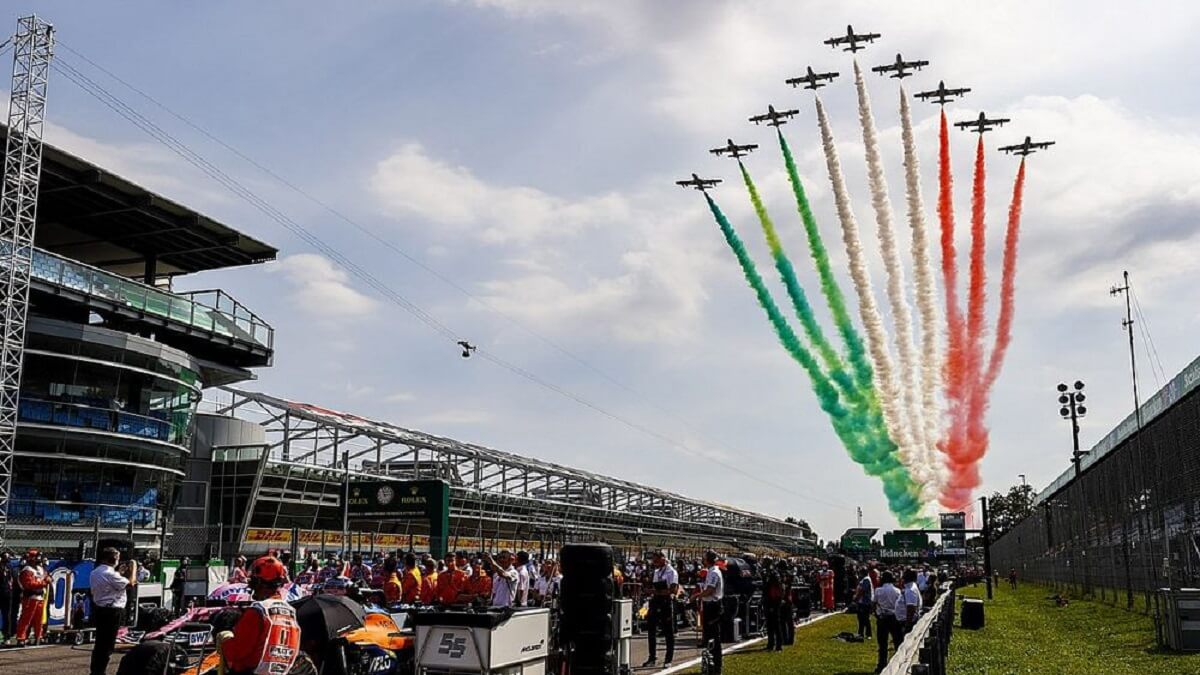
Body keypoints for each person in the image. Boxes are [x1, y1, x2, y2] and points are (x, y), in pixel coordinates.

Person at [217, 556, 301, 675]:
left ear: (259, 582)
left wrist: (224, 640)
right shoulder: (291, 612)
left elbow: (237, 650)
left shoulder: (258, 611)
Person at [90, 547, 137, 675]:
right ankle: (100, 671)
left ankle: (96, 670)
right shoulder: (110, 573)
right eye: (116, 558)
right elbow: (131, 583)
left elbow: (112, 585)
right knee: (107, 645)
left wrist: (120, 572)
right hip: (111, 611)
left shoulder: (96, 571)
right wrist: (134, 568)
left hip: (100, 609)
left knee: (100, 643)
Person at [643, 551, 679, 667]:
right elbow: (652, 586)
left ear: (663, 559)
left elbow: (673, 590)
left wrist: (655, 591)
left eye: (656, 560)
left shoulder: (671, 572)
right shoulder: (656, 572)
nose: (655, 563)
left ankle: (668, 659)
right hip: (655, 601)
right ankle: (652, 657)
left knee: (668, 631)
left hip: (666, 602)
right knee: (651, 630)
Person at [691, 550, 724, 675]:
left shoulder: (714, 572)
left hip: (713, 606)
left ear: (707, 560)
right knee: (709, 636)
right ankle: (711, 664)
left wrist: (697, 596)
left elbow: (710, 590)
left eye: (704, 558)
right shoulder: (711, 571)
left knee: (714, 637)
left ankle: (716, 666)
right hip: (709, 605)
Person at [15, 549, 49, 645]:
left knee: (39, 619)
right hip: (30, 597)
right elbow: (29, 584)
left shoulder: (41, 569)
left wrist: (47, 579)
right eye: (35, 557)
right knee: (26, 618)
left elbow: (46, 577)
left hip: (40, 597)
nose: (38, 559)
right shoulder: (27, 570)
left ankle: (39, 636)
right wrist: (44, 582)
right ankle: (21, 637)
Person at [873, 571, 903, 674]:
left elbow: (874, 603)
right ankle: (899, 662)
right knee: (897, 641)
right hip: (894, 617)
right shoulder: (897, 591)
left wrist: (876, 613)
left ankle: (881, 664)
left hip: (882, 618)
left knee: (882, 644)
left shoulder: (878, 590)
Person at [761, 558, 786, 653]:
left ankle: (778, 645)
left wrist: (774, 603)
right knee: (769, 624)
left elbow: (776, 590)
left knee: (775, 623)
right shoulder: (767, 573)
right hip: (768, 600)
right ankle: (770, 644)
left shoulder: (774, 574)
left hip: (773, 601)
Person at [896, 569, 922, 634]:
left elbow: (911, 609)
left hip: (907, 622)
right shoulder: (910, 587)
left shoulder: (910, 590)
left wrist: (907, 626)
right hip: (905, 621)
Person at [854, 567, 874, 640]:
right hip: (861, 601)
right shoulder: (863, 579)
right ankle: (860, 633)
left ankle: (868, 634)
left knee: (866, 619)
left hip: (865, 602)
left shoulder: (866, 580)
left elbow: (862, 590)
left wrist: (856, 598)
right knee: (860, 619)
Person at [0, 551, 15, 644]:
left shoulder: (10, 567)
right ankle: (6, 635)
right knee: (6, 615)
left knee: (7, 615)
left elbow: (13, 579)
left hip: (7, 593)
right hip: (2, 592)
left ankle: (7, 636)